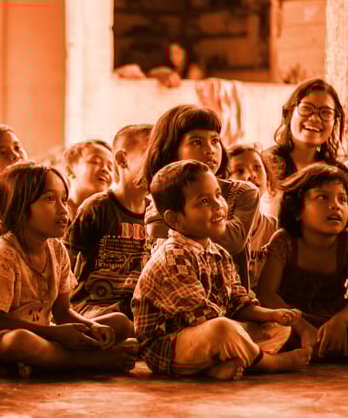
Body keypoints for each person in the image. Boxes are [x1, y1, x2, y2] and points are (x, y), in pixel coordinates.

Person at [132, 160, 311, 379]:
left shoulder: (219, 253)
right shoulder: (173, 258)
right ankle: (267, 362)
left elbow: (236, 301)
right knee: (222, 330)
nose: (218, 205)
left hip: (211, 335)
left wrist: (271, 314)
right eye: (204, 201)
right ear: (175, 219)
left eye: (218, 194)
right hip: (169, 348)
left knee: (277, 327)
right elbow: (202, 318)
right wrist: (241, 330)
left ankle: (220, 364)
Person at [0, 162, 136, 375]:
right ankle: (90, 361)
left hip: (46, 334)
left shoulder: (56, 249)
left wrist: (91, 327)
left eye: (64, 200)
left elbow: (62, 311)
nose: (63, 209)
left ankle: (55, 361)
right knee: (20, 341)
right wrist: (55, 334)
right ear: (20, 207)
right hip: (3, 339)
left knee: (120, 323)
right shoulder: (4, 253)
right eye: (50, 199)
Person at [257, 163, 348, 360]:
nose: (335, 205)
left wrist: (340, 321)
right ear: (297, 210)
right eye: (323, 197)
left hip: (332, 317)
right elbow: (266, 293)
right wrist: (302, 327)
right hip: (291, 318)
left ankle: (321, 349)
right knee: (265, 327)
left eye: (342, 199)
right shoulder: (284, 241)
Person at [143, 105, 258, 290]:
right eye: (196, 142)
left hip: (232, 298)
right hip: (178, 296)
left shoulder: (244, 192)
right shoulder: (157, 198)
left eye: (215, 140)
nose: (210, 149)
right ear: (171, 149)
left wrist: (172, 221)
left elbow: (233, 241)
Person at [66, 124, 152, 320]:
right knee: (120, 321)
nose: (159, 163)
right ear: (122, 159)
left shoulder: (157, 213)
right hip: (92, 307)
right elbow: (65, 264)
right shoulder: (96, 208)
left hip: (136, 308)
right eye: (151, 155)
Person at [263, 78, 348, 217]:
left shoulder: (337, 172)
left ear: (334, 122)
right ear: (289, 113)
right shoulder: (266, 164)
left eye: (326, 112)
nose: (315, 118)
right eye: (306, 108)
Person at [228, 142, 278, 287]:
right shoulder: (220, 232)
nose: (251, 175)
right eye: (239, 171)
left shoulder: (275, 229)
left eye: (257, 167)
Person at [63, 139, 115, 220]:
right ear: (69, 171)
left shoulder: (109, 217)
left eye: (110, 167)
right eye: (95, 162)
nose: (105, 169)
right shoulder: (59, 212)